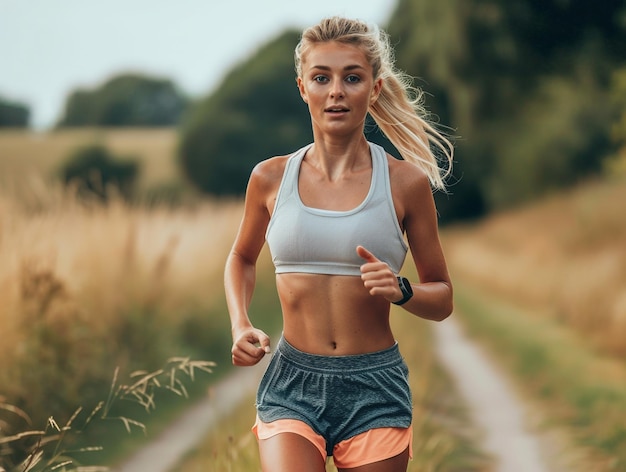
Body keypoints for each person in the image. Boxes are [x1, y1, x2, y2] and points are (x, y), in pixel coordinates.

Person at [224, 16, 454, 472]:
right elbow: (241, 257)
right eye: (321, 77)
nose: (336, 91)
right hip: (292, 380)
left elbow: (443, 296)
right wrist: (239, 324)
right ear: (302, 87)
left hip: (374, 385)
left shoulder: (405, 183)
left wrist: (402, 290)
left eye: (352, 77)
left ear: (374, 88)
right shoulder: (269, 178)